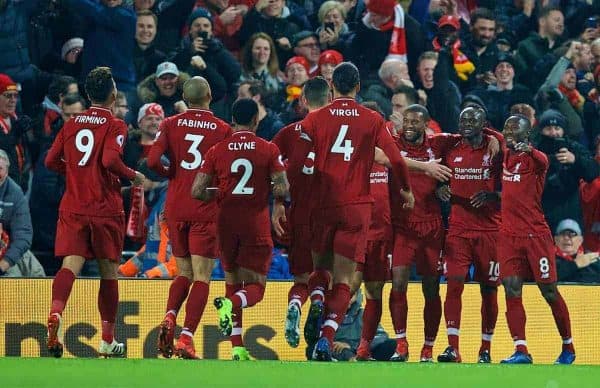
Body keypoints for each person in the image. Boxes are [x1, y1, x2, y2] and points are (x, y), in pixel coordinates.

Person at [292, 62, 414, 362]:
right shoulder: (372, 119)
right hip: (356, 208)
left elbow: (299, 154)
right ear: (358, 86)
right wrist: (406, 189)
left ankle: (317, 299)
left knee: (322, 271)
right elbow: (396, 160)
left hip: (323, 205)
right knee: (346, 280)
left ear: (332, 86)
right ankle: (328, 337)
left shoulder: (317, 118)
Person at [44, 67, 145, 358]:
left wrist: (74, 172)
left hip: (74, 206)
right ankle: (107, 340)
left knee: (69, 267)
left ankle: (56, 312)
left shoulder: (72, 123)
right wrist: (132, 175)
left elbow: (51, 161)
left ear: (88, 94)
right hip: (104, 208)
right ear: (113, 94)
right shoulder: (115, 125)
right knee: (108, 274)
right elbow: (110, 159)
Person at [192, 98, 289, 361]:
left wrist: (222, 191)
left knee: (232, 282)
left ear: (232, 120)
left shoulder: (216, 150)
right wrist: (268, 187)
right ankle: (229, 306)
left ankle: (237, 347)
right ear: (256, 120)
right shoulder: (268, 149)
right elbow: (283, 188)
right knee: (255, 288)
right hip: (253, 222)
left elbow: (198, 191)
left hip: (225, 223)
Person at [148, 76, 232, 359]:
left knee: (183, 272)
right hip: (205, 209)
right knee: (202, 277)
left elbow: (151, 161)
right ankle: (186, 338)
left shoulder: (170, 124)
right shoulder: (222, 129)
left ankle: (170, 316)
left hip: (175, 207)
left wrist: (170, 174)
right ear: (209, 95)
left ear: (185, 97)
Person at [498, 114, 576, 365]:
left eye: (516, 130)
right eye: (507, 129)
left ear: (527, 134)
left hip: (535, 236)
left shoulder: (535, 160)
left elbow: (544, 161)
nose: (510, 134)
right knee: (510, 289)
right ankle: (521, 350)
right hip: (509, 236)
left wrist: (529, 149)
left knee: (549, 291)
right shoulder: (505, 155)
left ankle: (569, 347)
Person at [436, 107, 502, 364]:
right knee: (454, 285)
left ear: (484, 124)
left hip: (490, 230)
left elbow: (513, 186)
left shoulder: (496, 149)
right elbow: (437, 177)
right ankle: (452, 347)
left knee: (489, 290)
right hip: (459, 231)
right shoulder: (451, 148)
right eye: (463, 119)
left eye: (473, 120)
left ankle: (485, 348)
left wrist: (494, 196)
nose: (466, 124)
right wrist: (440, 189)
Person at [272, 77, 331, 348]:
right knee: (326, 273)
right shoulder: (339, 131)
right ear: (329, 100)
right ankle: (318, 302)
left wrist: (277, 202)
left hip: (298, 212)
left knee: (300, 277)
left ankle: (297, 302)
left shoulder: (290, 132)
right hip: (330, 212)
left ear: (304, 101)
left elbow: (269, 162)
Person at [0, 150, 43, 277]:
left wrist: (4, 264)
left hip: (8, 249)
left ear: (7, 171)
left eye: (0, 168)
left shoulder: (15, 193)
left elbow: (23, 236)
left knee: (36, 272)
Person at [554, 219, 600, 283]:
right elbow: (545, 278)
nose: (567, 238)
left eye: (572, 234)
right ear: (556, 239)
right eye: (563, 234)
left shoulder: (592, 261)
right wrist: (575, 264)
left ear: (580, 240)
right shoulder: (547, 260)